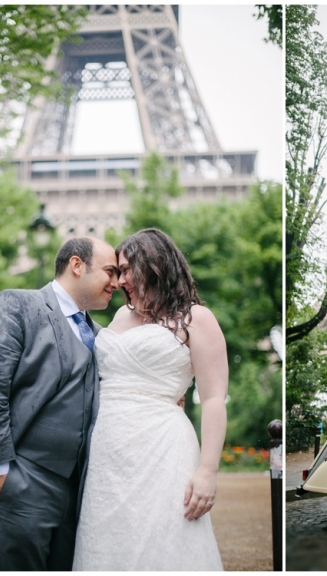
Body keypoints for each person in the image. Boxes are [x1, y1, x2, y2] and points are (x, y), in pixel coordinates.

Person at [0, 237, 120, 570]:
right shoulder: (18, 305)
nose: (116, 283)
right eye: (110, 271)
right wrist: (0, 471)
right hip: (19, 479)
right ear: (77, 265)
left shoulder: (101, 335)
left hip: (77, 490)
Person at [73, 228, 227, 571]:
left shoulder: (197, 318)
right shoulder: (118, 317)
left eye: (126, 270)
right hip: (106, 452)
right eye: (117, 271)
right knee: (106, 541)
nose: (120, 280)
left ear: (154, 264)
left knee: (164, 537)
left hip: (162, 447)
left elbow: (214, 398)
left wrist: (208, 470)